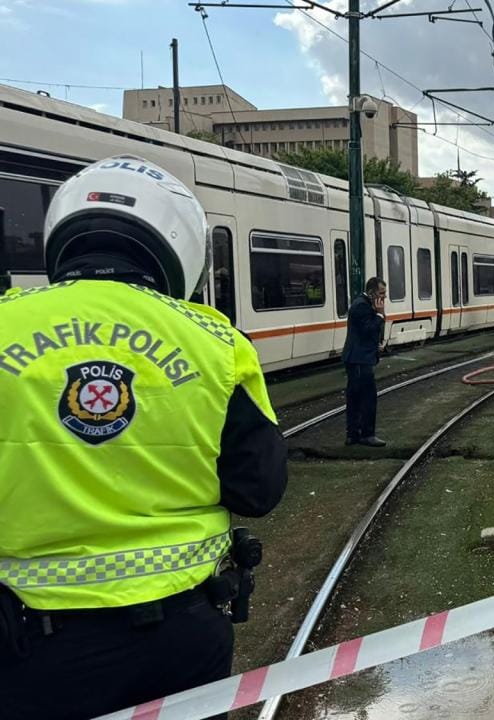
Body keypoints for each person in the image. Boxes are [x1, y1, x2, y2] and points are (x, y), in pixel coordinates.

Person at [0, 155, 287, 719]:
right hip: (182, 638)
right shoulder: (215, 342)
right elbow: (258, 489)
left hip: (27, 645)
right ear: (178, 244)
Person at [343, 276, 387, 447]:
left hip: (358, 358)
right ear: (371, 293)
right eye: (381, 293)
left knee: (354, 397)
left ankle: (353, 434)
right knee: (367, 397)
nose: (384, 298)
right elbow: (368, 329)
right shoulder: (362, 306)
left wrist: (376, 346)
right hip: (360, 360)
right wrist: (380, 315)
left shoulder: (362, 304)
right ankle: (367, 434)